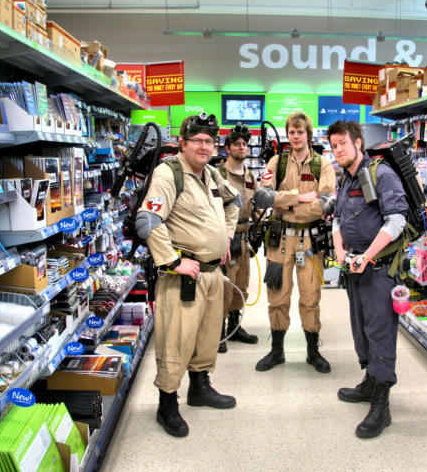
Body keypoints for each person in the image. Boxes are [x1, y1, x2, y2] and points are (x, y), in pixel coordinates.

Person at [135, 113, 242, 438]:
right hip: (183, 277)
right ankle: (167, 403)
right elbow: (148, 219)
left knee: (207, 336)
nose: (204, 146)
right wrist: (173, 261)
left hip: (212, 273)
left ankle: (200, 387)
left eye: (209, 141)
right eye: (197, 140)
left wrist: (226, 236)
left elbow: (233, 201)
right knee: (177, 341)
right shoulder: (168, 174)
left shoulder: (211, 174)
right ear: (182, 143)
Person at [327, 120, 409, 439]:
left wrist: (368, 255)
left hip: (378, 270)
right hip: (354, 269)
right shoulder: (346, 179)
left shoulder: (381, 174)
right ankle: (370, 382)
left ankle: (382, 405)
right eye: (334, 146)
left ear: (358, 142)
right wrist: (340, 252)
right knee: (361, 329)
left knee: (379, 332)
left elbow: (396, 220)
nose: (338, 150)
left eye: (343, 144)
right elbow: (337, 219)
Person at [253, 111, 336, 373]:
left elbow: (327, 203)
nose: (296, 136)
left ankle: (313, 352)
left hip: (311, 241)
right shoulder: (276, 162)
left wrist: (284, 202)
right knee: (277, 296)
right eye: (292, 132)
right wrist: (299, 198)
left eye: (300, 132)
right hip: (279, 240)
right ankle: (277, 351)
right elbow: (262, 196)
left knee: (310, 297)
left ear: (308, 135)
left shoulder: (323, 164)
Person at [217, 123, 259, 353]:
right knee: (225, 286)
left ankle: (235, 326)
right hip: (226, 240)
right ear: (228, 148)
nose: (242, 147)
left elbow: (255, 206)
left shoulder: (250, 176)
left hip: (244, 239)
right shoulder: (219, 175)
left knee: (241, 285)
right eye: (237, 144)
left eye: (244, 144)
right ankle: (219, 332)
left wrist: (259, 230)